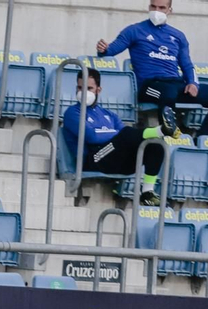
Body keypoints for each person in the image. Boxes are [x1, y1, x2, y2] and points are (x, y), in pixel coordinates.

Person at [96, 1, 208, 140]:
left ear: (169, 10)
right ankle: (169, 134)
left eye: (162, 8)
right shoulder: (134, 30)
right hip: (150, 85)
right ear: (149, 7)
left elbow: (187, 65)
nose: (157, 11)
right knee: (168, 92)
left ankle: (200, 139)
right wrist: (104, 50)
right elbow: (112, 49)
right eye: (154, 7)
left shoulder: (178, 36)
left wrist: (192, 83)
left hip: (175, 84)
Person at [62, 68, 167, 206]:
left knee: (156, 144)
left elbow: (124, 137)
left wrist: (110, 133)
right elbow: (91, 136)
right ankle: (161, 130)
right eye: (80, 88)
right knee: (127, 133)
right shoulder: (72, 113)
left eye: (89, 88)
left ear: (98, 90)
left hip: (117, 161)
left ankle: (147, 192)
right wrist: (116, 133)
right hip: (93, 160)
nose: (83, 93)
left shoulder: (109, 115)